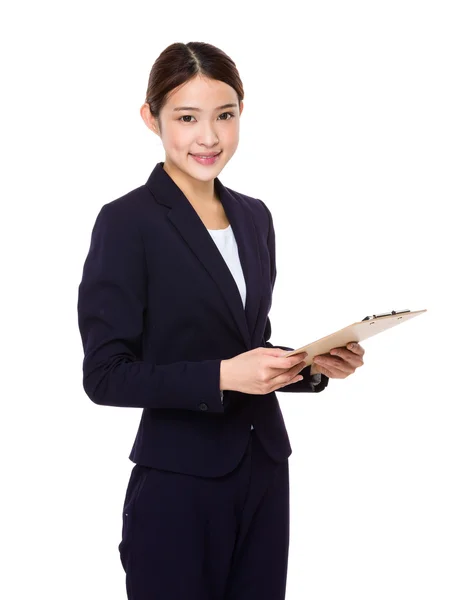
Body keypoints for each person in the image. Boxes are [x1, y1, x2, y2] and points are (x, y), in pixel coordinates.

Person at [77, 41, 365, 600]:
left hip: (263, 469)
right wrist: (222, 377)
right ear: (151, 118)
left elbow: (244, 345)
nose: (208, 137)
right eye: (187, 118)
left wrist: (310, 365)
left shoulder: (255, 217)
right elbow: (105, 375)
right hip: (179, 483)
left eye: (225, 116)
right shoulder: (126, 222)